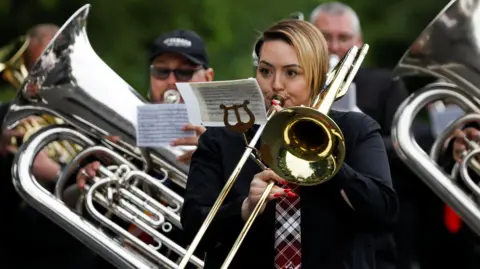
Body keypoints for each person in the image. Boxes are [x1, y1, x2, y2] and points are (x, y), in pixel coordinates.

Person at [181, 19, 398, 269]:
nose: (275, 85)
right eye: (265, 71)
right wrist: (245, 206)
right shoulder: (223, 136)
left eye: (291, 73)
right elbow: (192, 228)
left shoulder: (356, 130)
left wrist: (329, 161)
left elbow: (384, 214)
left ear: (317, 77)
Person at [76, 29, 214, 268]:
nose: (172, 81)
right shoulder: (121, 133)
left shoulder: (229, 140)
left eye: (184, 72)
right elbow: (74, 208)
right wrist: (89, 181)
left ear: (208, 78)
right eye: (162, 71)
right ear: (151, 76)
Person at [310, 3, 432, 269]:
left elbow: (409, 142)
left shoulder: (384, 84)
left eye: (344, 38)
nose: (334, 46)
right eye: (325, 36)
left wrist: (363, 138)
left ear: (359, 42)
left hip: (375, 217)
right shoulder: (300, 84)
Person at [0, 23, 102, 269]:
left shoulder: (93, 121)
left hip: (73, 252)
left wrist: (56, 173)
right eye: (37, 68)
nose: (44, 79)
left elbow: (97, 200)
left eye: (56, 68)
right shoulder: (4, 117)